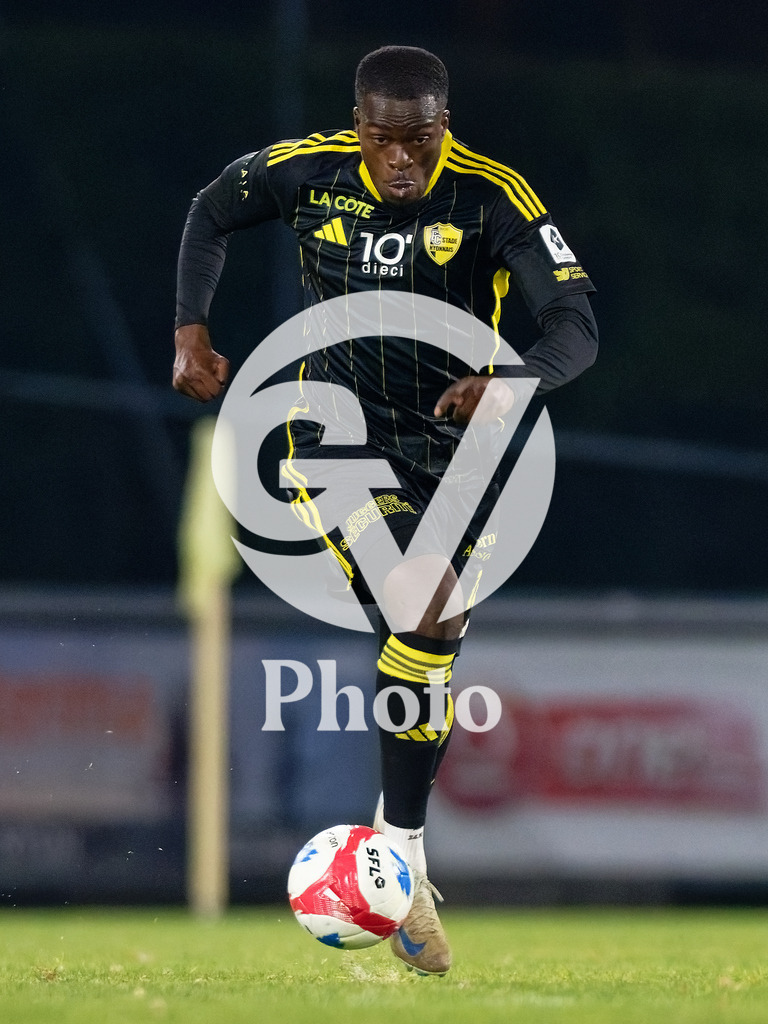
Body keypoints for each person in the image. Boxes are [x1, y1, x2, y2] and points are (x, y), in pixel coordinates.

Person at [174, 45, 597, 976]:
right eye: (383, 138)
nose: (401, 159)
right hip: (335, 440)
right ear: (359, 126)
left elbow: (576, 325)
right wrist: (190, 328)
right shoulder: (309, 172)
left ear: (446, 124)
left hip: (458, 456)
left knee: (426, 644)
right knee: (423, 603)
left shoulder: (494, 198)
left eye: (420, 138)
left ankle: (401, 856)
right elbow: (211, 209)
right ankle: (399, 857)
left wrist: (511, 379)